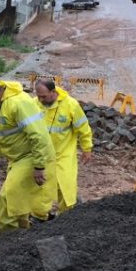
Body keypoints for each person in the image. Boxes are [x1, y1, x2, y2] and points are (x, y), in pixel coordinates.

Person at [0, 79, 56, 237]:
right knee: (18, 200)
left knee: (8, 197)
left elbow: (38, 136)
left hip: (31, 156)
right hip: (18, 159)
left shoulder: (18, 104)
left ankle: (1, 239)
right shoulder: (0, 106)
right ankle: (21, 235)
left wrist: (39, 166)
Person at [34, 80, 93, 213]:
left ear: (53, 92)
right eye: (38, 96)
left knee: (65, 184)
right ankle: (40, 215)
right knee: (41, 185)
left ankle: (67, 213)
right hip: (42, 154)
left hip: (63, 153)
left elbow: (83, 128)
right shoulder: (34, 104)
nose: (41, 100)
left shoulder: (71, 104)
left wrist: (86, 148)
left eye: (44, 96)